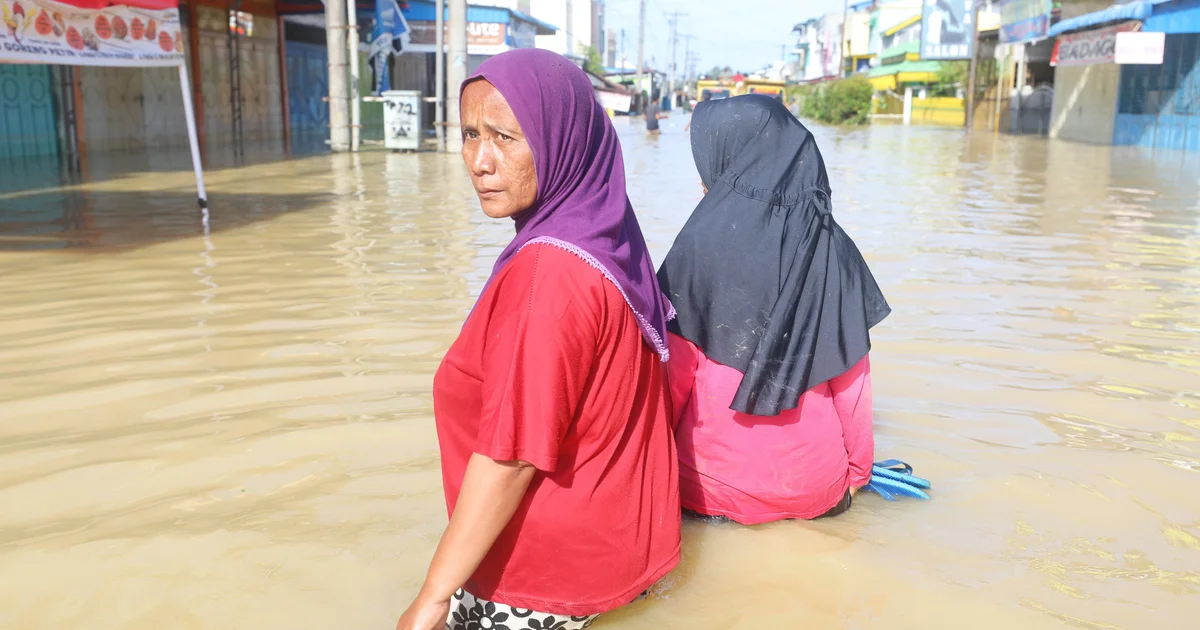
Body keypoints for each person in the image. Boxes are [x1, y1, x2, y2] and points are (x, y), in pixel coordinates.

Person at [395, 49, 680, 630]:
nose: (479, 160)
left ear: (561, 141)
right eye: (470, 134)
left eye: (505, 136)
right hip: (624, 555)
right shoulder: (606, 233)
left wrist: (432, 595)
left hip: (544, 586)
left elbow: (512, 454)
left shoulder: (548, 275)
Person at [657, 94, 891, 525]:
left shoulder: (696, 248)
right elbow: (853, 383)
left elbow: (670, 384)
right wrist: (858, 473)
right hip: (816, 492)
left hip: (708, 491)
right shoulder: (831, 247)